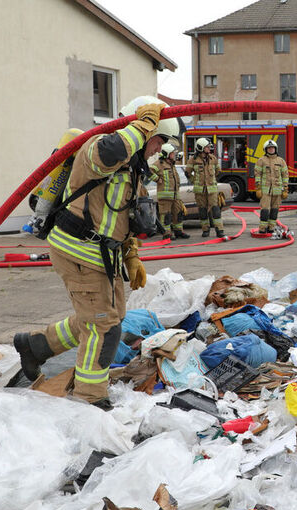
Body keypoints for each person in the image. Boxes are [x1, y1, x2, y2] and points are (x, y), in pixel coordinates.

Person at [13, 96, 178, 404]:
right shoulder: (96, 146)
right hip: (78, 250)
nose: (159, 149)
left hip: (102, 255)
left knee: (108, 318)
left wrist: (131, 256)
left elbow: (123, 218)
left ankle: (36, 346)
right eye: (159, 140)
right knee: (103, 327)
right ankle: (90, 399)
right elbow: (110, 152)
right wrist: (142, 125)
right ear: (141, 129)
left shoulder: (132, 170)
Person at [185, 138, 224, 238]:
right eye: (207, 147)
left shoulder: (213, 159)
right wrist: (195, 181)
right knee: (202, 210)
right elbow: (187, 173)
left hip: (212, 189)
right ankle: (205, 230)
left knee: (215, 209)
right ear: (201, 148)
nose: (209, 149)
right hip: (200, 190)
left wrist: (212, 180)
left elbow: (218, 171)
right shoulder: (193, 160)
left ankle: (219, 230)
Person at [151, 143, 189, 240]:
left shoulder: (172, 164)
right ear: (166, 154)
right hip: (165, 196)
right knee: (166, 216)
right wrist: (157, 179)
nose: (174, 155)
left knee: (178, 213)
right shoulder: (159, 164)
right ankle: (166, 234)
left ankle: (178, 231)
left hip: (175, 195)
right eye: (172, 153)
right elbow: (148, 171)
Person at [254, 139, 289, 235]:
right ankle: (262, 228)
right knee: (265, 209)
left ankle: (271, 228)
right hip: (265, 190)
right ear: (266, 150)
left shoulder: (281, 161)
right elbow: (257, 174)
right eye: (269, 148)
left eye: (272, 148)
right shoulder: (261, 160)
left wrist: (285, 188)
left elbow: (285, 175)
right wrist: (258, 188)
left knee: (275, 210)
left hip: (277, 190)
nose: (271, 149)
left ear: (275, 149)